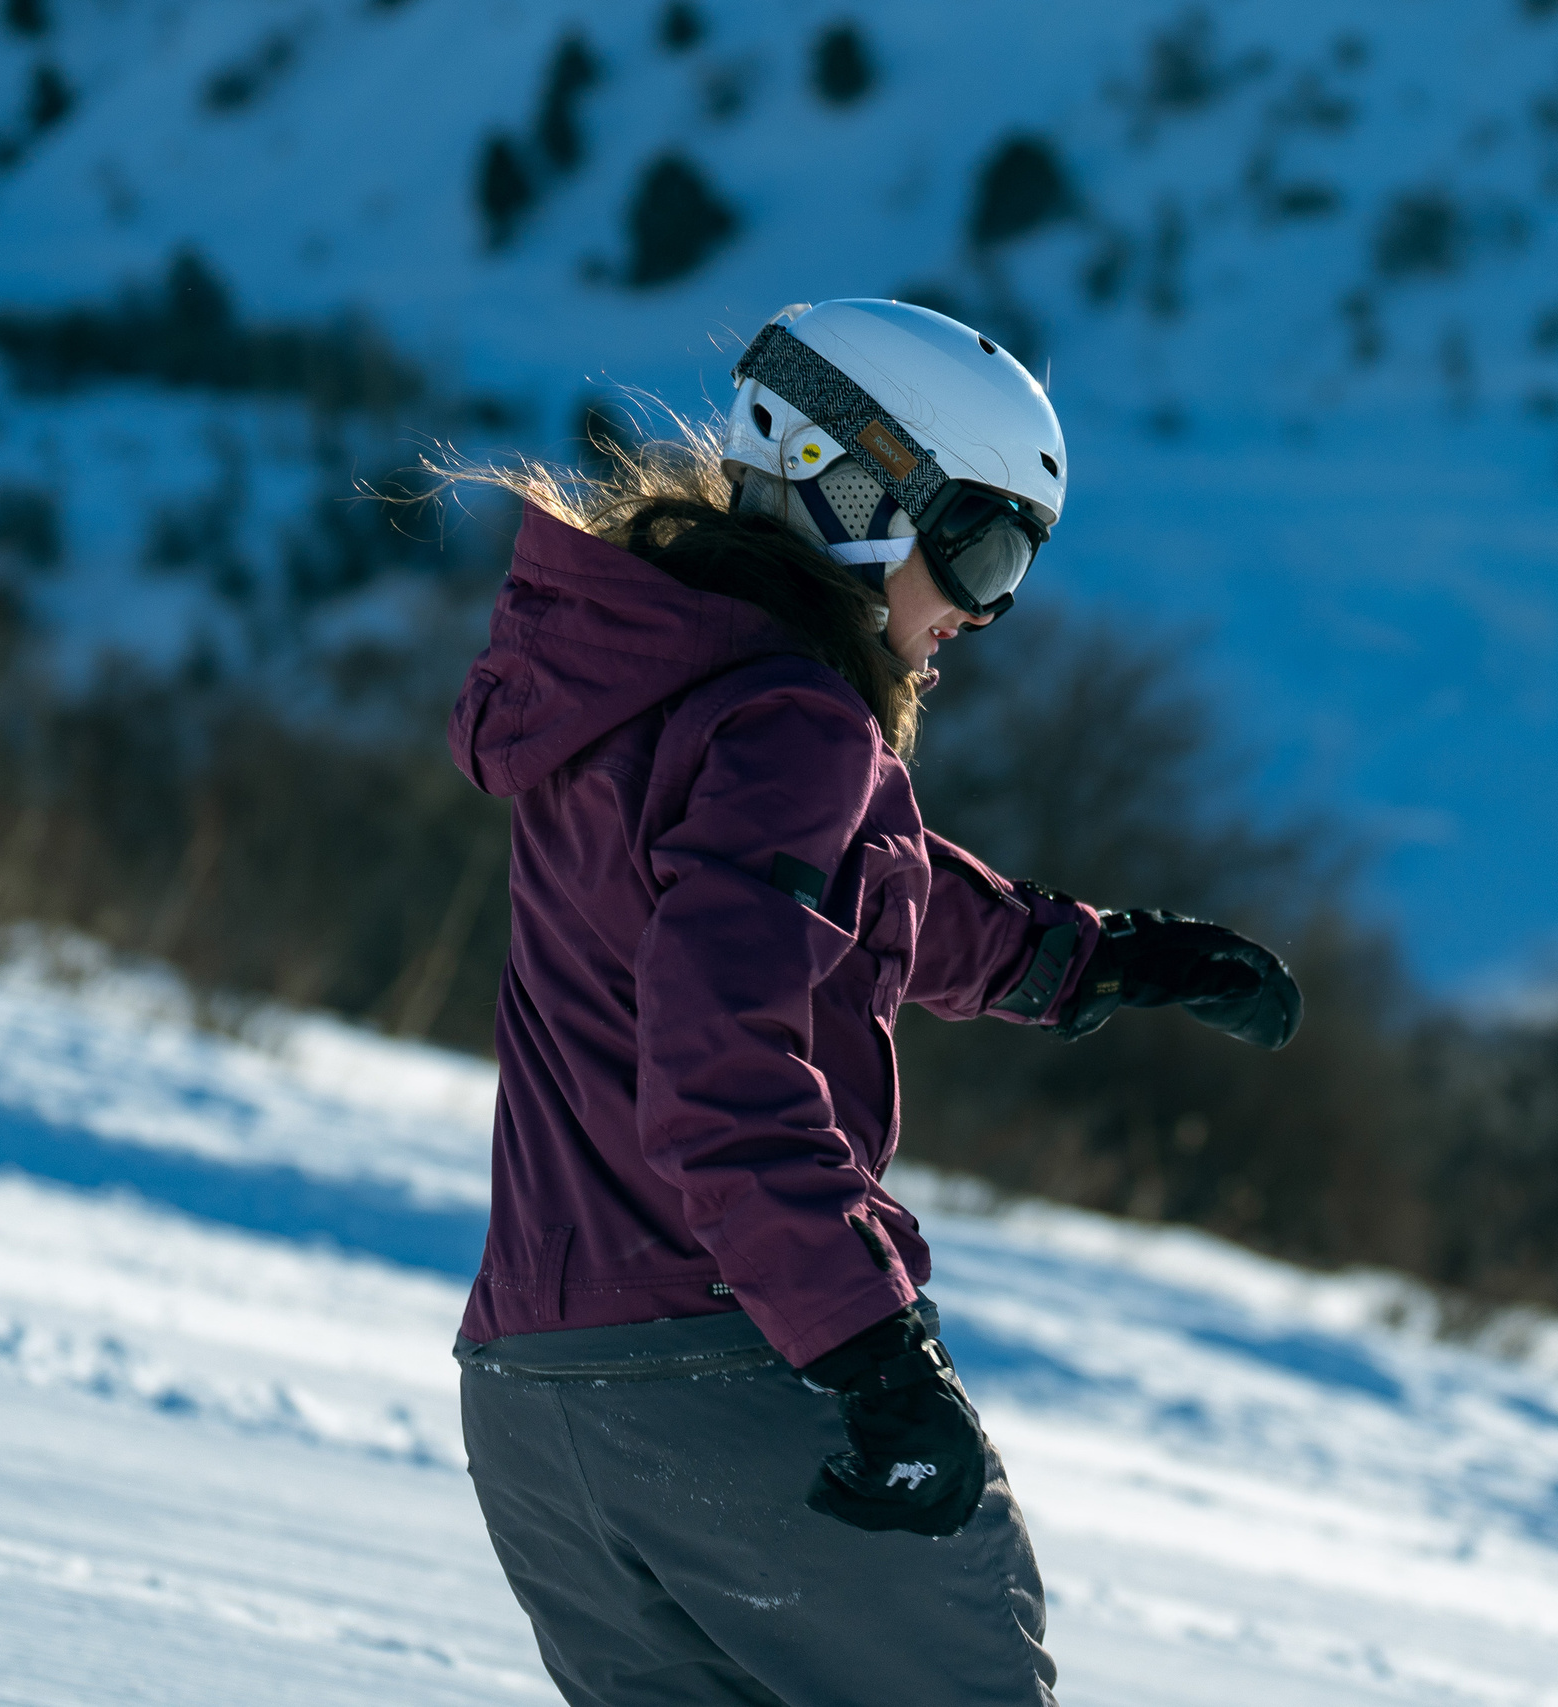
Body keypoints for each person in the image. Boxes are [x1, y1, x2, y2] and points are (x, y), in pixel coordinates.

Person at [441, 299, 1301, 1707]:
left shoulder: (643, 684)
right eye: (984, 546)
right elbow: (723, 1049)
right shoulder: (793, 726)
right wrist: (869, 1347)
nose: (988, 606)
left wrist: (1088, 959)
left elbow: (837, 903)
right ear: (860, 493)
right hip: (730, 1368)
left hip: (537, 1396)